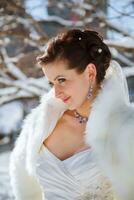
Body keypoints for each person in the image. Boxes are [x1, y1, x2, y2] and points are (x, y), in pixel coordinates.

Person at [9, 29, 134, 200]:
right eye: (52, 83)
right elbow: (24, 187)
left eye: (62, 80)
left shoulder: (126, 128)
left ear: (90, 73)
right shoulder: (39, 123)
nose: (56, 92)